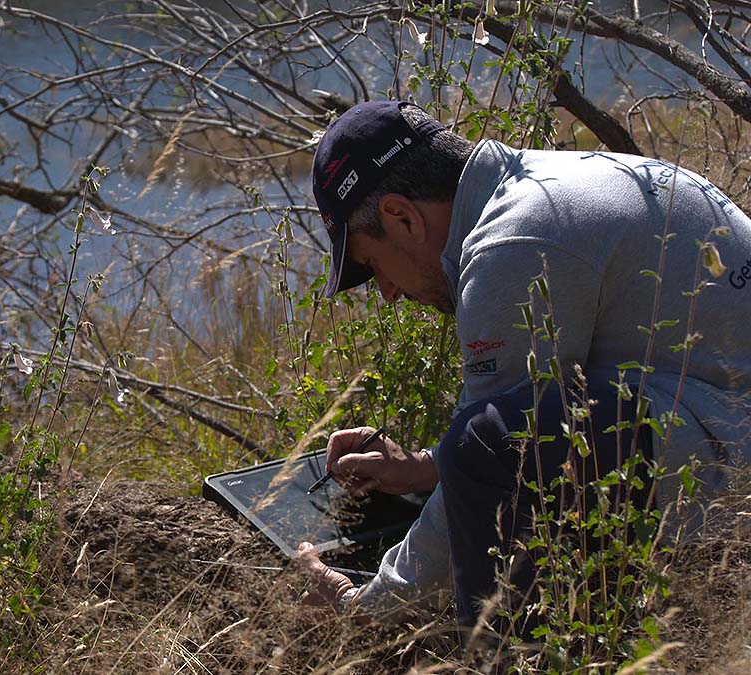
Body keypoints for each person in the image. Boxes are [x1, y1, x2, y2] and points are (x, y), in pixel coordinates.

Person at [296, 101, 751, 643]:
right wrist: (424, 468)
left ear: (401, 217)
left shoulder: (511, 245)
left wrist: (363, 606)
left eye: (373, 265)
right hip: (716, 413)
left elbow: (491, 456)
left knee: (489, 446)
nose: (389, 292)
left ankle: (516, 656)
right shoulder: (542, 183)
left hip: (734, 457)